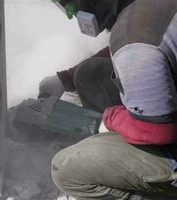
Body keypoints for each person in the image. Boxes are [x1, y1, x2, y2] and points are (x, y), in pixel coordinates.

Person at [40, 0, 177, 199]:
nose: (72, 14)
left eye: (70, 7)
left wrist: (109, 120)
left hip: (163, 132)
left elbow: (157, 131)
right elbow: (139, 49)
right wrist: (67, 77)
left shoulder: (134, 41)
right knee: (89, 74)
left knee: (67, 169)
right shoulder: (149, 12)